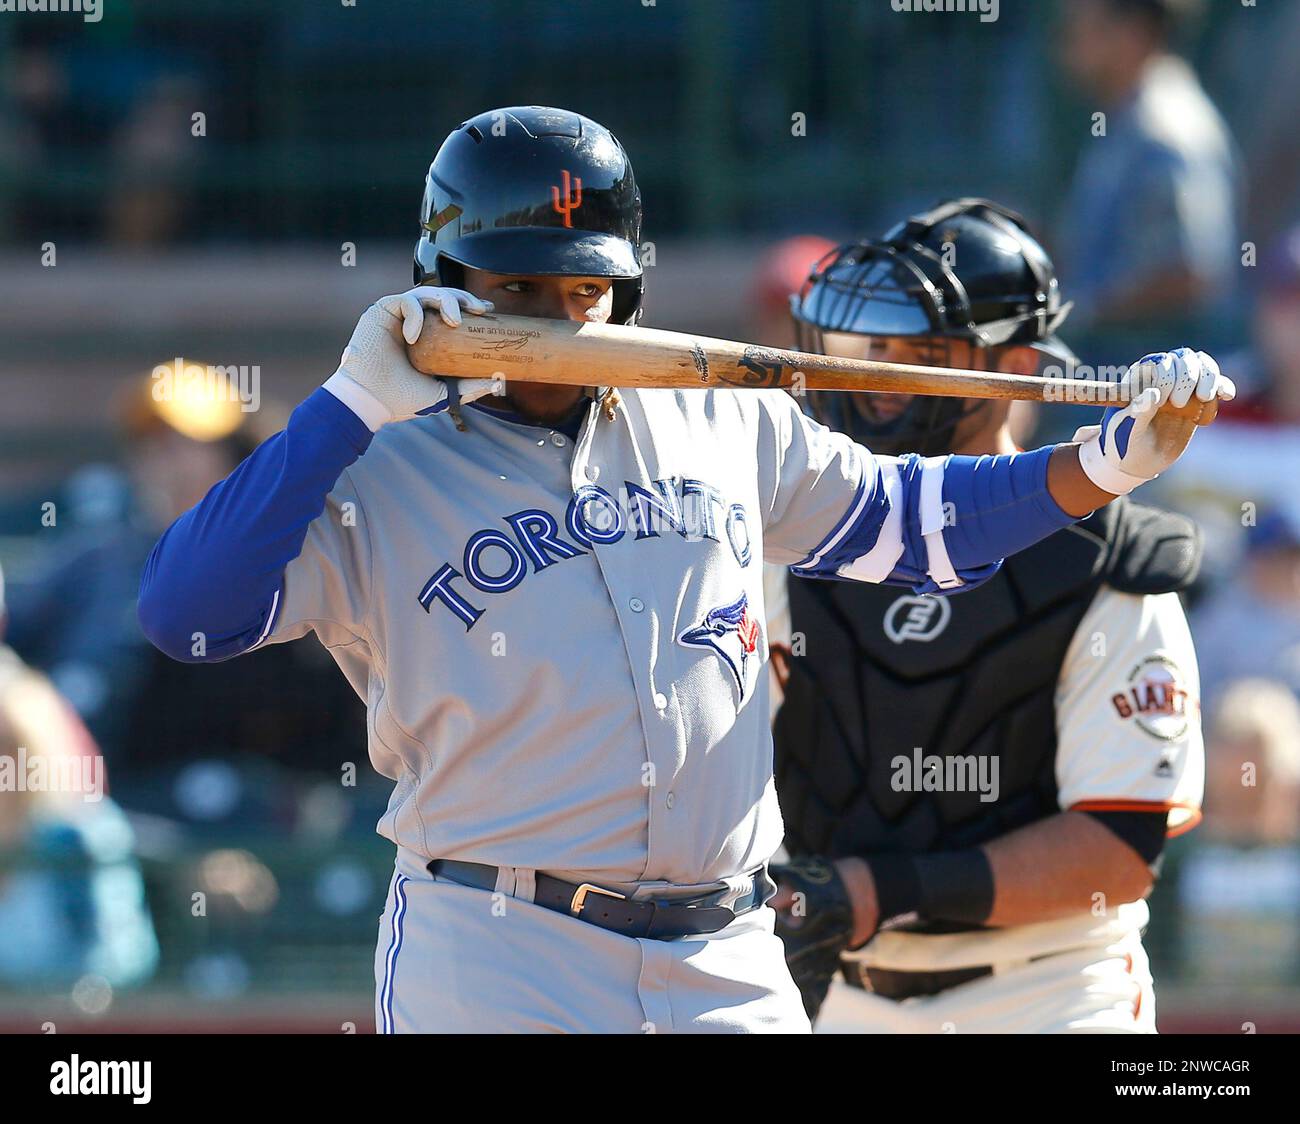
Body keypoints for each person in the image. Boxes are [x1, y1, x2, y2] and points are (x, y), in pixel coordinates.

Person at [136, 109, 1233, 1034]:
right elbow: (186, 615)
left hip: (727, 950)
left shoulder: (722, 419)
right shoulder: (371, 468)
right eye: (515, 285)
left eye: (582, 289)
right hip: (499, 950)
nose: (556, 316)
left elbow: (920, 526)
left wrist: (1101, 462)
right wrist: (349, 402)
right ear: (442, 280)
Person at [767, 198, 1208, 1034]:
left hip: (1053, 993)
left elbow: (1117, 852)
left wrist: (875, 889)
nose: (878, 379)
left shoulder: (1112, 559)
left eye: (912, 350)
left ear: (1017, 365)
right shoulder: (786, 534)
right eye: (868, 348)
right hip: (841, 996)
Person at [1057, 0, 1238, 349]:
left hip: (1166, 389)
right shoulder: (1125, 119)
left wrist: (1082, 309)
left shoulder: (1166, 128)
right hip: (1128, 381)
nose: (1067, 47)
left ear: (1133, 34)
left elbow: (1193, 272)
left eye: (1081, 31)